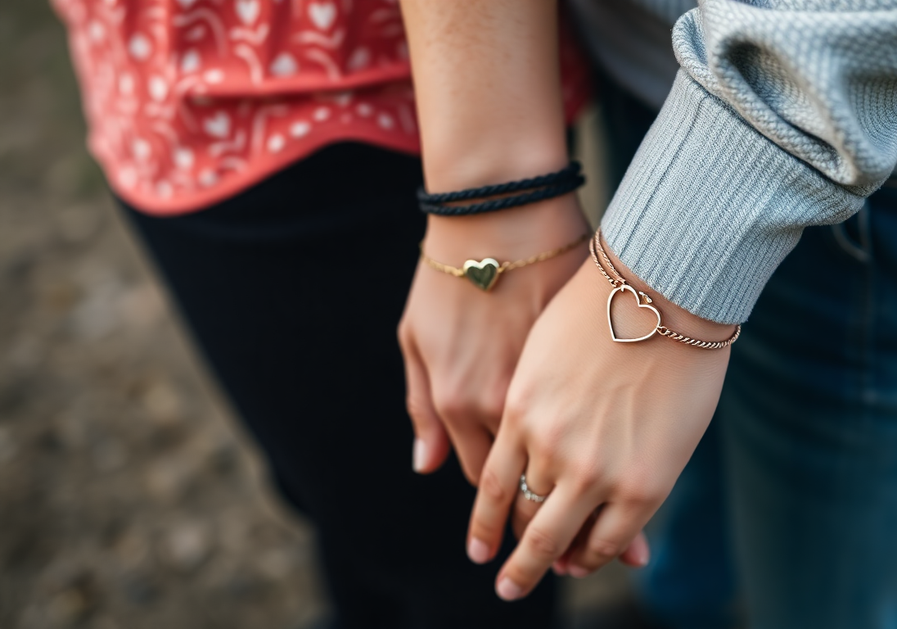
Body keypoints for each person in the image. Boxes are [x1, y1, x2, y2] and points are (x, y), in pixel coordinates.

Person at [397, 0, 897, 627]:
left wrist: (667, 268)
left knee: (845, 600)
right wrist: (492, 192)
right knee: (681, 508)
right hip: (640, 59)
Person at [51, 0, 590, 626]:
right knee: (342, 495)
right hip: (147, 74)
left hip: (359, 87)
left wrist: (493, 206)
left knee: (442, 533)